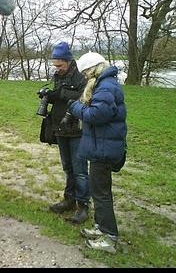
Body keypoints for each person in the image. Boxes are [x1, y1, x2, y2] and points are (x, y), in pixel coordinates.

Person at [67, 51, 127, 253]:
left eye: (86, 72)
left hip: (104, 148)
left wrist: (76, 107)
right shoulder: (105, 84)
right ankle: (101, 228)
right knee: (98, 190)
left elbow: (97, 115)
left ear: (93, 70)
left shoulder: (106, 85)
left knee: (101, 194)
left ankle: (109, 238)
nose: (84, 76)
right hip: (102, 145)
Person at [39, 41, 90, 224]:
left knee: (80, 171)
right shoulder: (58, 75)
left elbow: (84, 97)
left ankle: (83, 206)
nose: (57, 69)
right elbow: (60, 95)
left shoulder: (82, 75)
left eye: (60, 65)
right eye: (55, 65)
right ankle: (69, 200)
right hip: (60, 127)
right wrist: (49, 95)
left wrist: (61, 94)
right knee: (68, 168)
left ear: (68, 61)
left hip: (76, 129)